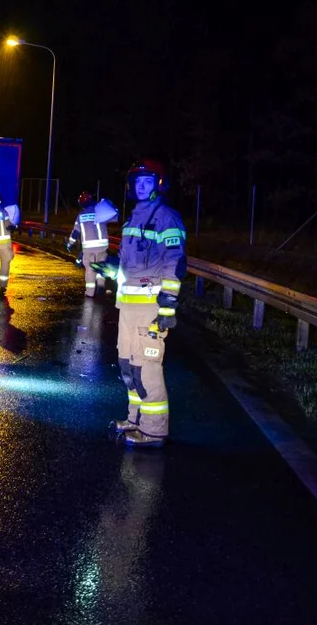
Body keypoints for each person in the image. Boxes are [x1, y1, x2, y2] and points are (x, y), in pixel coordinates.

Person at [91, 160, 186, 448]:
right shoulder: (133, 218)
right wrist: (113, 268)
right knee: (128, 366)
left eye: (147, 181)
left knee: (147, 368)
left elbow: (175, 262)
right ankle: (135, 419)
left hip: (150, 308)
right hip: (128, 307)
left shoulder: (166, 217)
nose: (141, 186)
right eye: (137, 181)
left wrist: (168, 307)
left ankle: (154, 431)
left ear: (159, 184)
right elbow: (132, 264)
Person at [67, 191, 115, 297]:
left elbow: (75, 232)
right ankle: (101, 286)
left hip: (88, 249)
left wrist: (70, 243)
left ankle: (89, 293)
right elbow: (114, 217)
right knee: (101, 266)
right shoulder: (100, 212)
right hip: (102, 247)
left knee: (90, 270)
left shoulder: (81, 216)